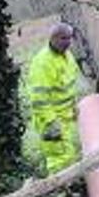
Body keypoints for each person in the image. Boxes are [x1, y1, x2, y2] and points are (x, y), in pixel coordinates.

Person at [27, 23, 81, 176]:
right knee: (58, 161)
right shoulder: (42, 62)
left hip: (65, 118)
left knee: (68, 155)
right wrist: (52, 122)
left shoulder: (68, 57)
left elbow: (70, 86)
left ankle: (69, 187)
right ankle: (59, 190)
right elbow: (38, 100)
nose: (68, 42)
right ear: (53, 38)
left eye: (70, 38)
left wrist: (74, 105)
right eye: (64, 38)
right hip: (50, 121)